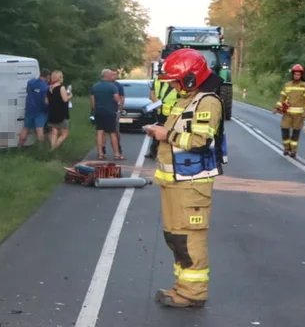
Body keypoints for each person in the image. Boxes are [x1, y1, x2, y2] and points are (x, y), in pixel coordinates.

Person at [143, 48, 227, 309]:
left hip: (192, 186)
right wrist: (159, 131)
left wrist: (164, 135)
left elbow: (202, 142)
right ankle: (182, 287)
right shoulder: (185, 99)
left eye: (176, 80)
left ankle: (193, 293)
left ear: (191, 78)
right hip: (175, 182)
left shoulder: (207, 102)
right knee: (175, 236)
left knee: (190, 238)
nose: (174, 86)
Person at [273, 63, 305, 158]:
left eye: (298, 74)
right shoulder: (287, 85)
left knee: (295, 133)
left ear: (301, 75)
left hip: (299, 114)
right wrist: (277, 107)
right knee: (284, 129)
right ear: (292, 74)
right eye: (295, 74)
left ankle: (293, 151)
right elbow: (282, 98)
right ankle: (286, 148)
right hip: (287, 113)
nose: (296, 76)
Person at [90, 69, 123, 160]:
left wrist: (94, 109)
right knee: (112, 133)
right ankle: (116, 154)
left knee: (100, 132)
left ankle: (100, 154)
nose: (113, 77)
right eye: (111, 75)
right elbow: (117, 99)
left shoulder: (95, 86)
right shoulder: (113, 87)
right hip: (110, 112)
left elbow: (92, 102)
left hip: (98, 111)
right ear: (107, 76)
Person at [147, 65, 178, 159]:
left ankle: (167, 152)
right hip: (159, 110)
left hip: (171, 112)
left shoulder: (173, 80)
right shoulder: (156, 79)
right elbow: (152, 92)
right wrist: (155, 102)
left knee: (169, 132)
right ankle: (153, 152)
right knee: (156, 130)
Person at [18, 68, 50, 148]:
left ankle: (19, 147)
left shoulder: (31, 82)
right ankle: (41, 150)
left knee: (25, 129)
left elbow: (28, 91)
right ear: (47, 77)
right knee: (39, 130)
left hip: (29, 110)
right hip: (40, 112)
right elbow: (45, 102)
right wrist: (47, 110)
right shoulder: (45, 88)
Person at [46, 70, 72, 150]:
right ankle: (53, 148)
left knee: (54, 131)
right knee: (65, 133)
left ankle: (52, 146)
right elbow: (65, 100)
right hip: (61, 113)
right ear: (60, 78)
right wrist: (70, 96)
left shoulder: (48, 88)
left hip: (51, 113)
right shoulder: (61, 87)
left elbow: (46, 101)